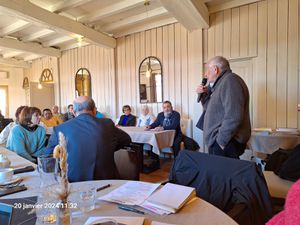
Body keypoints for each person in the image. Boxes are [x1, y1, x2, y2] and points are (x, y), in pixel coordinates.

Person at [45, 96, 131, 182]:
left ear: (74, 112)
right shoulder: (107, 124)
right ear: (94, 110)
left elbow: (46, 160)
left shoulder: (60, 128)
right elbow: (127, 139)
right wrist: (107, 148)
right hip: (107, 183)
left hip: (74, 185)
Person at [197, 56, 251, 158]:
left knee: (225, 173)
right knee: (220, 173)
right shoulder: (221, 84)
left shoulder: (230, 81)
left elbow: (234, 116)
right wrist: (204, 95)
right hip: (221, 141)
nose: (205, 74)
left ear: (215, 69)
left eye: (208, 70)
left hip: (225, 142)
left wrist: (220, 142)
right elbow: (209, 108)